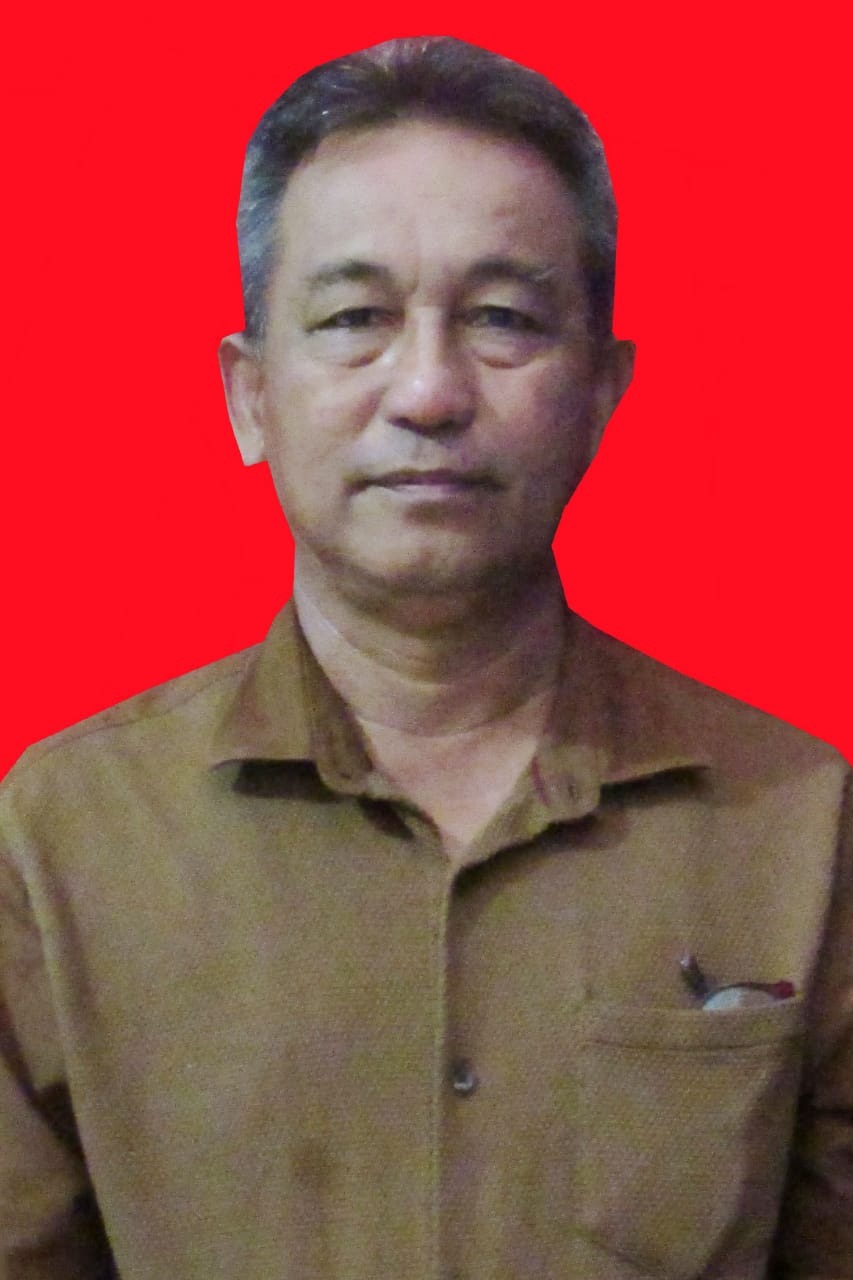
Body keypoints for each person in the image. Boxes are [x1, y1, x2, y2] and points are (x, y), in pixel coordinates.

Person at [0, 35, 850, 1280]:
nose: (429, 391)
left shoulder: (800, 825)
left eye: (502, 319)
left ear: (602, 392)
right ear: (249, 394)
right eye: (355, 319)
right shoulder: (65, 833)